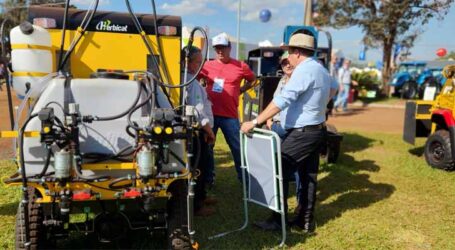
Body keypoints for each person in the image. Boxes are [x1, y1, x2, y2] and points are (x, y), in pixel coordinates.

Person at [240, 32, 331, 233]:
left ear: (297, 52)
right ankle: (304, 222)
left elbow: (282, 100)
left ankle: (277, 220)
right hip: (317, 130)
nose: (287, 57)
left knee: (277, 170)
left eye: (289, 52)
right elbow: (334, 88)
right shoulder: (321, 69)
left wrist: (255, 121)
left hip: (303, 132)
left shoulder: (304, 70)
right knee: (308, 176)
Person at [199, 33, 256, 184]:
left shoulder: (241, 66)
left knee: (237, 148)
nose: (220, 51)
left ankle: (244, 180)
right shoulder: (206, 66)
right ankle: (208, 179)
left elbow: (253, 80)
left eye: (223, 48)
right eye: (217, 48)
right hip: (210, 114)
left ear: (229, 48)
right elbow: (194, 80)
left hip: (230, 115)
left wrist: (240, 90)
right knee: (208, 148)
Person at [181, 46, 217, 216]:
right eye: (197, 61)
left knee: (199, 167)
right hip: (197, 132)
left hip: (194, 131)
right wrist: (209, 131)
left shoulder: (185, 79)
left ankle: (201, 197)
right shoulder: (191, 82)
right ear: (187, 62)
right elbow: (198, 111)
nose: (200, 65)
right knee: (198, 169)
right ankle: (197, 206)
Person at [266, 51, 293, 139]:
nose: (287, 66)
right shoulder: (282, 80)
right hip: (275, 125)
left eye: (289, 63)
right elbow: (275, 100)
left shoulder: (297, 81)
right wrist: (269, 120)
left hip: (287, 128)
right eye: (284, 63)